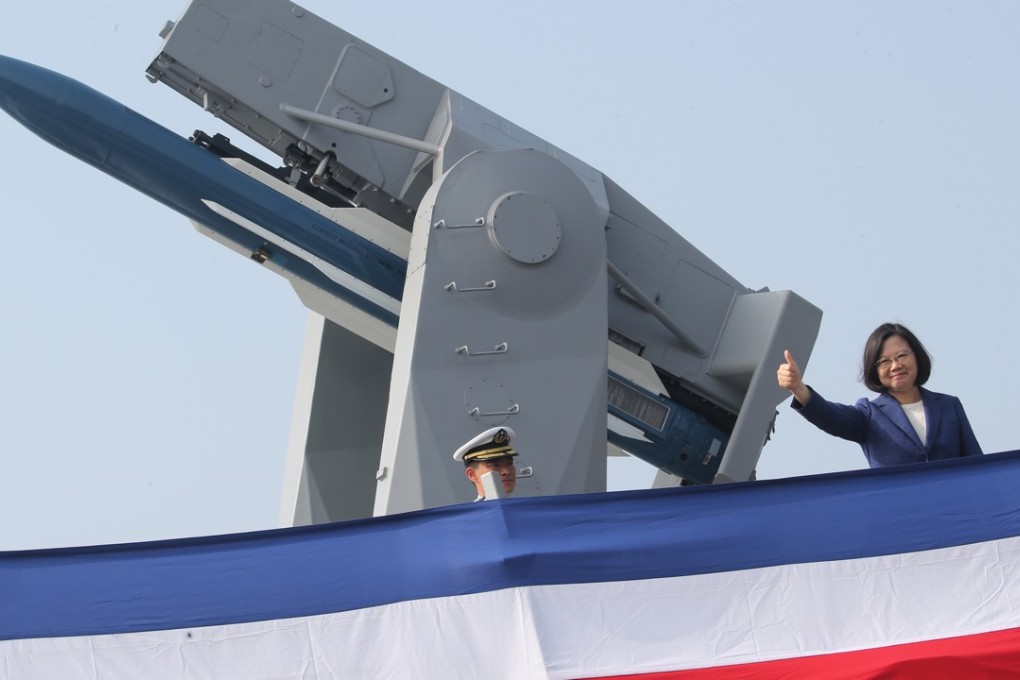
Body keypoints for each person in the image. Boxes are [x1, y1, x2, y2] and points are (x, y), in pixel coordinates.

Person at [777, 322, 982, 468]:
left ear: (917, 357)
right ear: (874, 370)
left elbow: (978, 466)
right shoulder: (870, 414)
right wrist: (798, 388)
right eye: (884, 361)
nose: (895, 365)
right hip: (900, 513)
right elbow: (830, 416)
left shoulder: (949, 406)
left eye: (902, 355)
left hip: (955, 511)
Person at [453, 426, 518, 500]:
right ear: (472, 474)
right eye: (495, 465)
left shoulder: (524, 506)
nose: (506, 471)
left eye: (510, 464)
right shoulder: (476, 510)